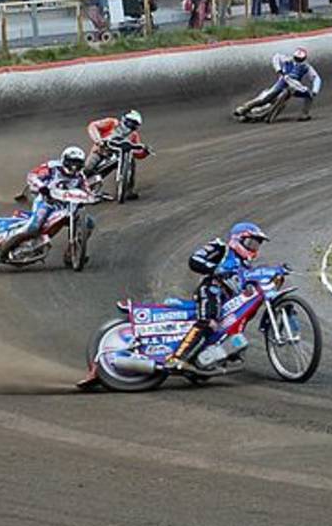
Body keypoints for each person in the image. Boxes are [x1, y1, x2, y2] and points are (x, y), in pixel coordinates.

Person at [166, 222, 271, 371]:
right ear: (237, 239)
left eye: (256, 245)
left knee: (243, 314)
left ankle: (211, 355)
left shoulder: (247, 267)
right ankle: (178, 358)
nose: (253, 248)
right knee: (209, 321)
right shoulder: (221, 248)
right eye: (250, 243)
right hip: (212, 289)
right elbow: (195, 260)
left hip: (229, 300)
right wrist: (216, 269)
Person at [0, 146, 92, 265]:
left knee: (89, 223)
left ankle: (72, 254)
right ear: (64, 160)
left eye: (77, 163)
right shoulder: (52, 167)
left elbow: (87, 190)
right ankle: (0, 249)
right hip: (46, 202)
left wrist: (94, 197)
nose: (74, 166)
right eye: (71, 162)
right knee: (34, 227)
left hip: (67, 207)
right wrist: (42, 187)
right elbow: (32, 175)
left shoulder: (80, 176)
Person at [234, 47, 324, 121]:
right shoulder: (287, 59)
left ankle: (304, 114)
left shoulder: (306, 67)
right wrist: (279, 70)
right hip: (282, 82)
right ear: (294, 56)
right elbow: (276, 57)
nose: (297, 61)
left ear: (304, 59)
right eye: (296, 58)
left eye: (300, 59)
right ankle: (244, 108)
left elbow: (316, 78)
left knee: (309, 95)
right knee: (265, 98)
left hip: (294, 86)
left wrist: (315, 90)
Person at [83, 110, 150, 198]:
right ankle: (75, 181)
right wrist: (98, 140)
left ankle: (128, 190)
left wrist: (144, 152)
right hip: (101, 151)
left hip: (119, 156)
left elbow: (137, 152)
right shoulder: (111, 122)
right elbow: (93, 126)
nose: (130, 126)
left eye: (134, 124)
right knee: (88, 168)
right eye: (130, 123)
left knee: (131, 162)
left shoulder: (133, 135)